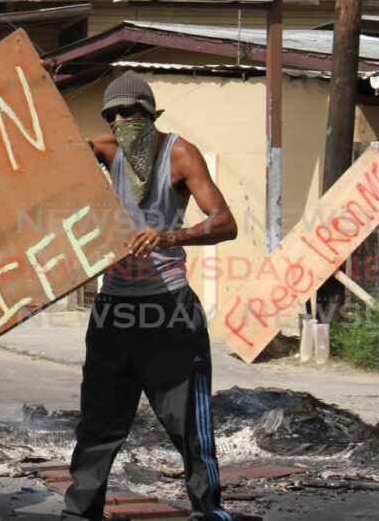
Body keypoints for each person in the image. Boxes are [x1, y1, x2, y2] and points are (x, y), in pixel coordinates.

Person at [63, 72, 256, 521]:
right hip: (113, 309)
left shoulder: (179, 153)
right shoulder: (104, 150)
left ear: (151, 116)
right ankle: (78, 514)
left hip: (167, 308)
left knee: (187, 421)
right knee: (99, 421)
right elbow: (49, 154)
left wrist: (171, 237)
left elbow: (225, 222)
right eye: (114, 115)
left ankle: (207, 510)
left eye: (132, 114)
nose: (123, 121)